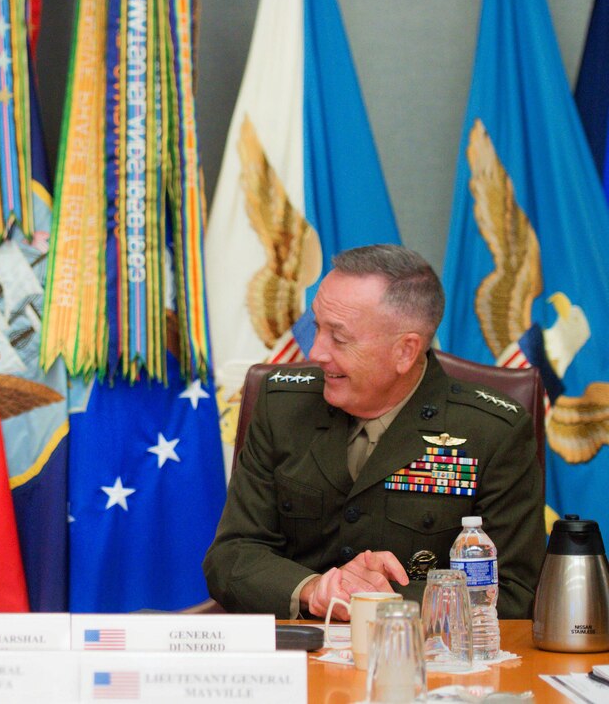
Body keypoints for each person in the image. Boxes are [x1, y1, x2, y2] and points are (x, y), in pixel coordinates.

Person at [203, 245, 544, 620]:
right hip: (298, 652)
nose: (316, 351)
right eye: (317, 327)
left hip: (426, 658)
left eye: (340, 337)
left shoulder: (491, 431)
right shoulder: (282, 405)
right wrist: (314, 589)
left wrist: (383, 600)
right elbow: (232, 555)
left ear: (405, 351)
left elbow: (513, 591)